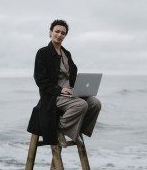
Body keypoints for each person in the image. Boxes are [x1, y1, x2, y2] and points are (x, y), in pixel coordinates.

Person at [27, 19, 101, 147]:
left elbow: (72, 75)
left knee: (95, 103)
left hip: (69, 94)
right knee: (81, 104)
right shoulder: (43, 53)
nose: (59, 35)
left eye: (63, 33)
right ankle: (60, 128)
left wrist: (79, 88)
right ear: (50, 32)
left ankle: (76, 131)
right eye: (57, 31)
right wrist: (60, 90)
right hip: (53, 96)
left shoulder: (67, 53)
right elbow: (40, 80)